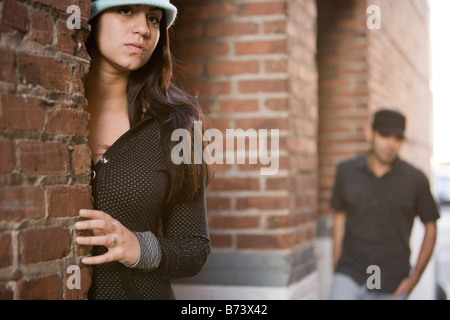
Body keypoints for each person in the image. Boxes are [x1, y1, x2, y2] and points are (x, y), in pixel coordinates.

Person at [74, 0, 213, 300]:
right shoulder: (52, 107)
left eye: (153, 18)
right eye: (126, 10)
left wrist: (138, 247)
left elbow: (194, 247)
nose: (143, 30)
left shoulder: (178, 124)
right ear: (93, 17)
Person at [328, 109, 440, 300]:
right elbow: (339, 214)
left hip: (392, 282)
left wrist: (414, 278)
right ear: (369, 133)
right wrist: (336, 261)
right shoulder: (346, 171)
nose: (391, 143)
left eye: (397, 138)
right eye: (385, 135)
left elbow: (431, 227)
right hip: (349, 275)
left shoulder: (415, 179)